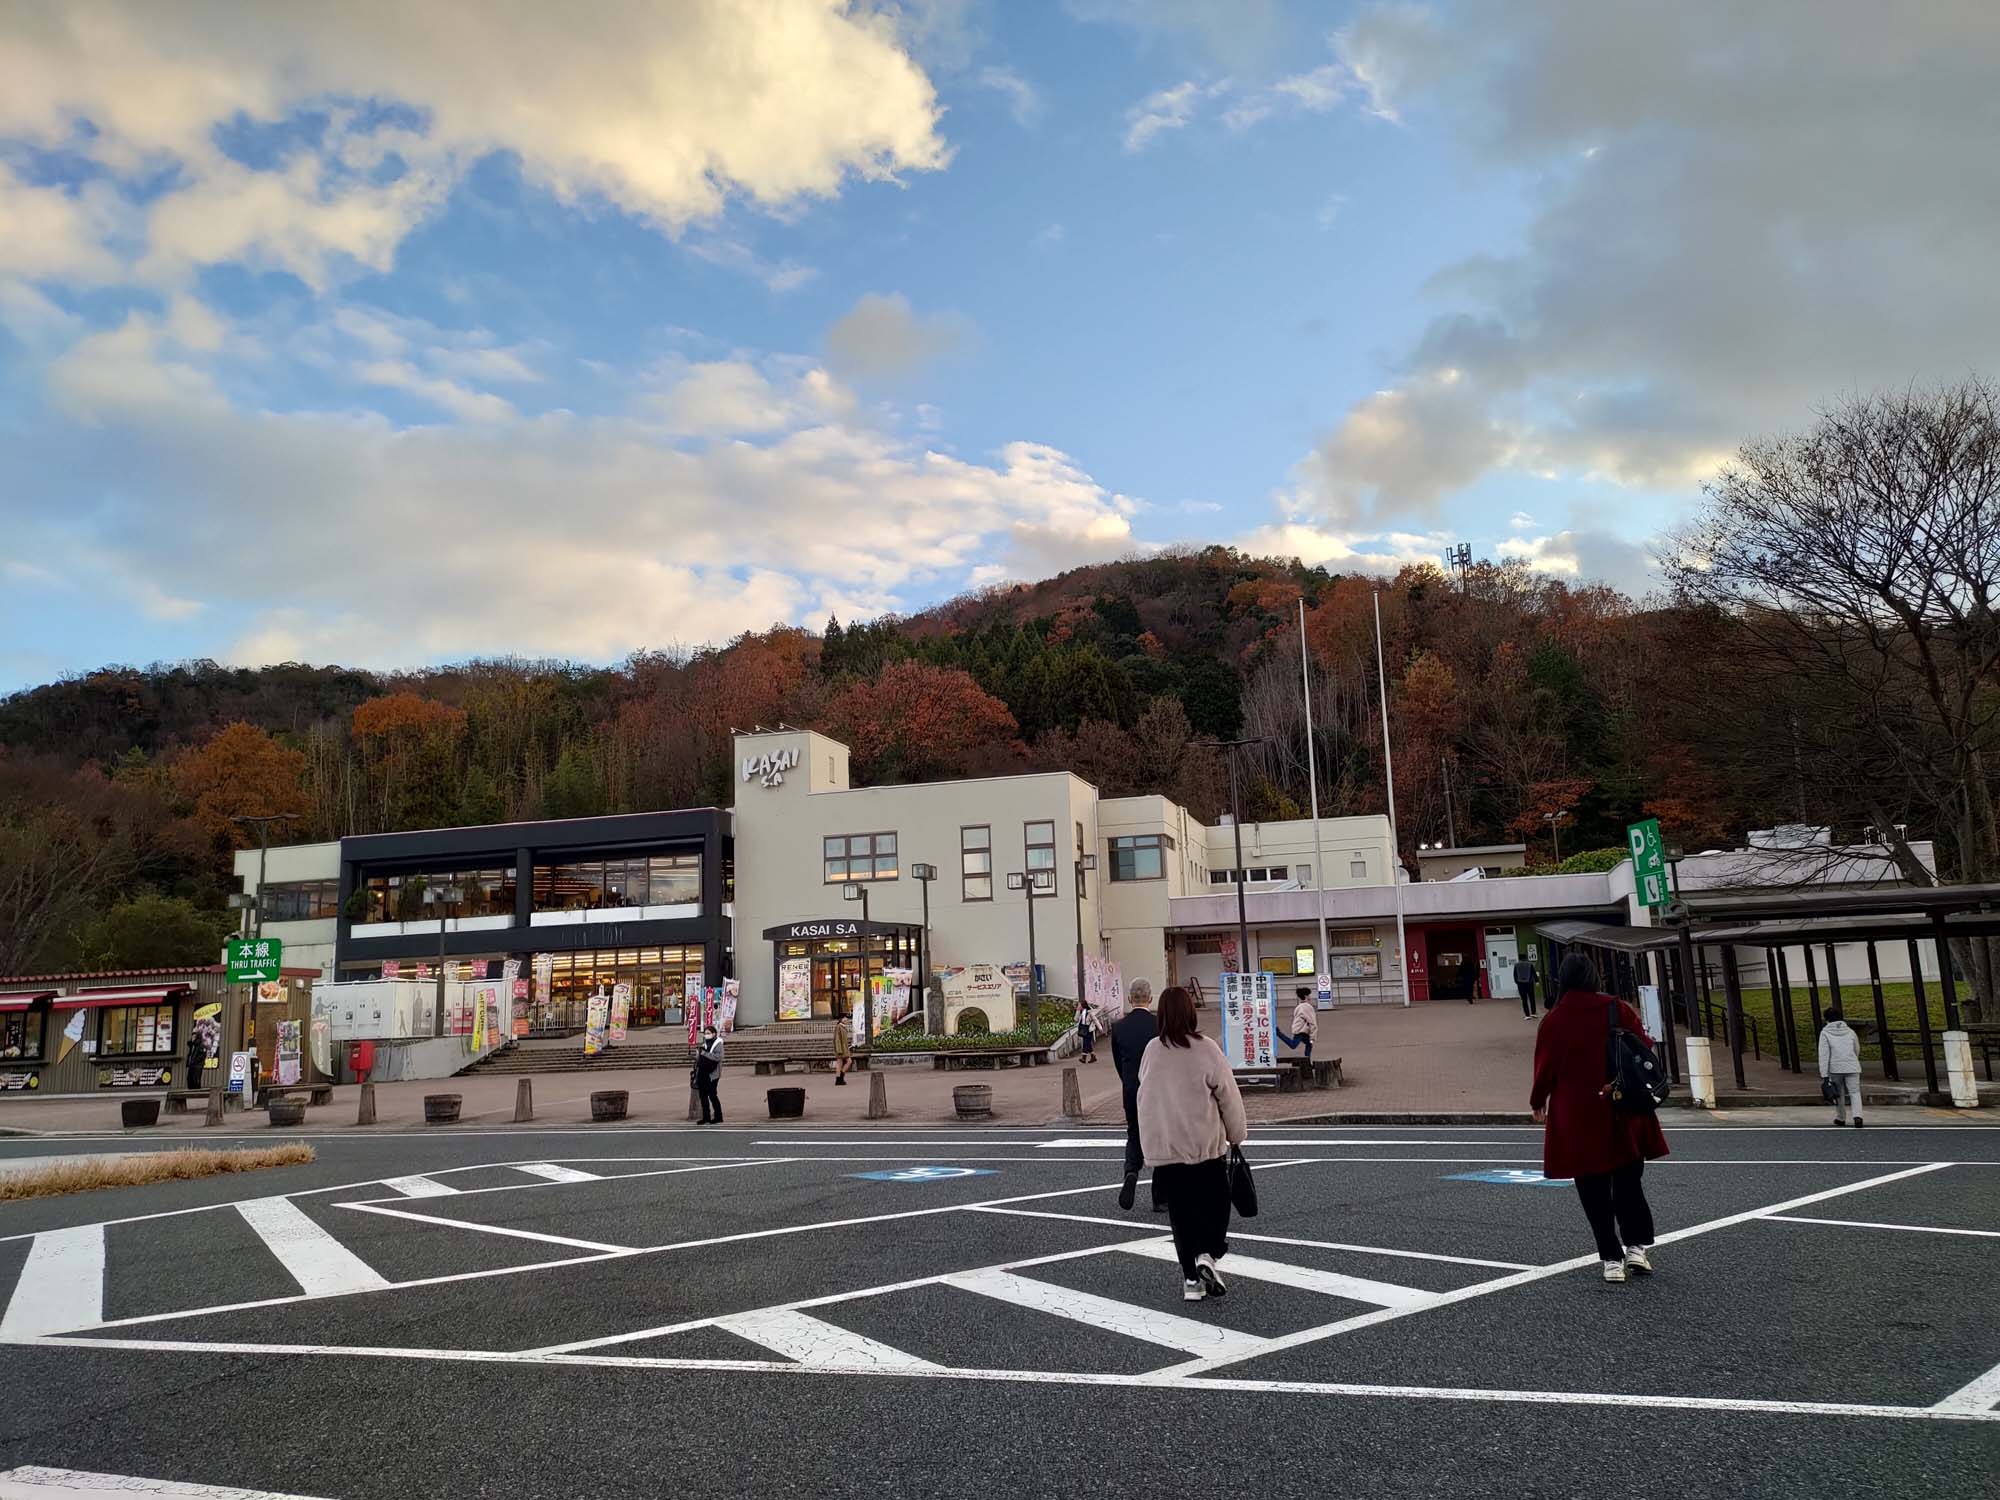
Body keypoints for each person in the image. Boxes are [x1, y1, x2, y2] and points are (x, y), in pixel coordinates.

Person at [1530, 954, 1669, 1283]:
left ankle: (1611, 1259)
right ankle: (1636, 1248)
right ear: (1594, 976)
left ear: (1563, 980)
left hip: (1577, 1113)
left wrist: (1538, 1101)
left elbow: (1545, 1067)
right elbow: (1642, 1047)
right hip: (1623, 1108)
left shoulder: (1554, 1020)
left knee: (1593, 1191)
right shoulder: (1617, 1009)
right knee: (1629, 1184)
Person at [1138, 985, 1248, 1302]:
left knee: (1181, 1215)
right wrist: (1236, 1135)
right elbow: (1228, 1096)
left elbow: (1144, 1097)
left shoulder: (1152, 1051)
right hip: (1205, 1147)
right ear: (1191, 1012)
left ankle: (1191, 1281)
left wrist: (1149, 1144)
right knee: (1216, 1205)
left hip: (1168, 1150)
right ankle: (1208, 1254)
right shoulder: (1206, 1048)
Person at [1111, 978, 1162, 1212]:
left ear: (1130, 999)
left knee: (1134, 1133)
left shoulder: (1119, 1027)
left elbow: (1118, 1062)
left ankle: (1131, 1171)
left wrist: (1128, 1082)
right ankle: (1160, 1198)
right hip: (1157, 1090)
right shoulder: (1160, 1024)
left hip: (1131, 1090)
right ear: (1150, 998)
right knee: (1161, 1138)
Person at [1818, 1003, 1864, 1129]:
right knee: (1855, 1092)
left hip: (1835, 1068)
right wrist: (1853, 1060)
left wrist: (1824, 1075)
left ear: (1826, 1019)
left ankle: (1841, 1117)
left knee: (1838, 1093)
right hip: (1852, 1066)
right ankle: (1858, 1117)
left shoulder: (1825, 1033)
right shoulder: (1850, 1031)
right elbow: (1856, 1049)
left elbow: (1824, 1055)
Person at [1275, 985, 1317, 1062]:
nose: (1310, 997)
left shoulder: (1299, 1006)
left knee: (1309, 1044)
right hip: (1301, 1030)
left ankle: (1307, 1060)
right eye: (1309, 995)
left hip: (1299, 1029)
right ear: (1306, 996)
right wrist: (1313, 1036)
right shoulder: (1307, 1006)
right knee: (1294, 1045)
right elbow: (1312, 1022)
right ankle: (1278, 1033)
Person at [694, 1025, 724, 1124]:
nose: (706, 1035)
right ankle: (706, 1117)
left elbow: (718, 1057)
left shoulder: (718, 1043)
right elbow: (699, 1058)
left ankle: (718, 1116)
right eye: (705, 1033)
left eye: (708, 1033)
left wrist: (704, 1054)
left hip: (713, 1073)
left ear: (714, 1034)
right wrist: (698, 1054)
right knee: (703, 1095)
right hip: (702, 1072)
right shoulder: (704, 1044)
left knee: (712, 1095)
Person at [832, 1008, 853, 1085]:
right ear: (841, 1019)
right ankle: (840, 1077)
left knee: (840, 1063)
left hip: (843, 1049)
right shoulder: (839, 1027)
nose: (847, 1019)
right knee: (847, 1062)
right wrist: (839, 1050)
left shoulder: (843, 1027)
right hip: (841, 1049)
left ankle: (839, 1078)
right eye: (845, 1018)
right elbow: (837, 1039)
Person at [1075, 998, 1097, 1063]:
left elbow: (1095, 1020)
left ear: (1083, 1005)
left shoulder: (1090, 1011)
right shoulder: (1080, 1012)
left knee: (1085, 1043)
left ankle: (1083, 1058)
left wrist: (1100, 1028)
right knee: (1088, 1043)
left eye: (1079, 1005)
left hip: (1089, 1029)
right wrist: (1078, 1011)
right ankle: (1093, 1056)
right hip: (1084, 1029)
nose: (1078, 1006)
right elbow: (1075, 1019)